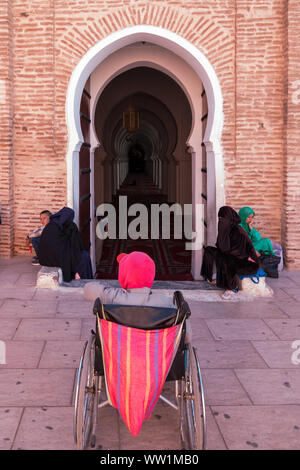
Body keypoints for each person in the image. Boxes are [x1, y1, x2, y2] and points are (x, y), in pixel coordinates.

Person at [201, 206, 260, 300]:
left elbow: (239, 253)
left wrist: (223, 252)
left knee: (227, 258)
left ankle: (232, 288)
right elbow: (220, 246)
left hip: (248, 263)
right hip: (233, 257)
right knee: (209, 250)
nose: (221, 221)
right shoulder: (225, 229)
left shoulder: (238, 231)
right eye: (219, 218)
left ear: (229, 218)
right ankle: (211, 277)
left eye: (223, 218)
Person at [84, 251, 174, 308]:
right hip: (152, 339)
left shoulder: (113, 297)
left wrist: (109, 291)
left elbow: (87, 289)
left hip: (119, 338)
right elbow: (186, 334)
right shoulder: (164, 302)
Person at [38, 206, 93, 282]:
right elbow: (76, 245)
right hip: (58, 257)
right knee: (84, 257)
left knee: (80, 256)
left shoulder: (51, 225)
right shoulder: (69, 226)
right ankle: (85, 279)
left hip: (45, 258)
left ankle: (80, 276)